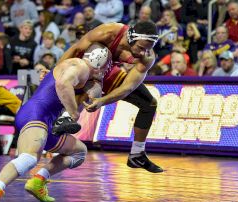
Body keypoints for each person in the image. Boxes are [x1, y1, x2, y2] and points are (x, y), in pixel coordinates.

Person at [0, 43, 111, 202]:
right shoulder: (80, 66)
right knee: (29, 158)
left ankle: (38, 180)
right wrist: (74, 113)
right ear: (99, 60)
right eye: (107, 65)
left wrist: (92, 93)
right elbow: (62, 84)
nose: (107, 71)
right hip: (35, 115)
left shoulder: (82, 73)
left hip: (47, 122)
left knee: (79, 152)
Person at [51, 21, 163, 173]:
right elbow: (75, 48)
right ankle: (66, 116)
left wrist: (102, 101)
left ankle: (137, 154)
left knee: (149, 104)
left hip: (106, 71)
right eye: (141, 48)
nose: (144, 53)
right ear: (130, 37)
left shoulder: (147, 57)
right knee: (99, 54)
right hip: (81, 66)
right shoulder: (108, 32)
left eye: (148, 49)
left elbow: (128, 87)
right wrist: (55, 74)